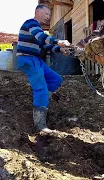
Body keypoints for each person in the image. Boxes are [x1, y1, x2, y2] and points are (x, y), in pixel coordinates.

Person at [16, 4, 71, 133]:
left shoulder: (38, 30)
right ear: (38, 12)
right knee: (40, 86)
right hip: (27, 58)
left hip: (36, 60)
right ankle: (40, 125)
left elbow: (45, 45)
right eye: (46, 14)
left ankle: (42, 102)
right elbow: (42, 37)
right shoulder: (31, 23)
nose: (48, 18)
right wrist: (58, 41)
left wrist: (60, 49)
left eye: (49, 16)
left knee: (55, 79)